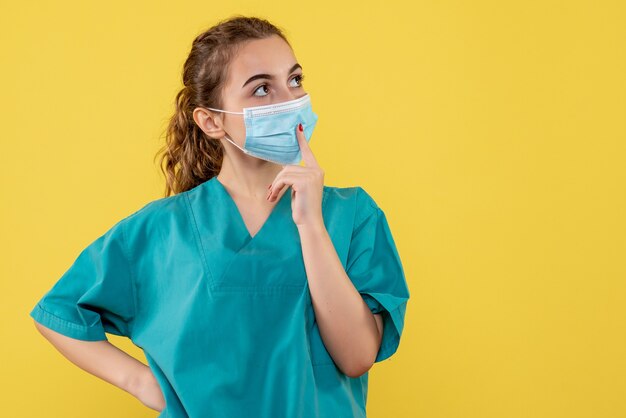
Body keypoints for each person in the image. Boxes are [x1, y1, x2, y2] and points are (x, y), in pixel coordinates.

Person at [29, 15, 411, 418]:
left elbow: (357, 357)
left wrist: (311, 225)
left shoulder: (352, 216)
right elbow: (59, 312)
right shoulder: (163, 230)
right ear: (211, 120)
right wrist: (143, 384)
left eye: (295, 80)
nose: (289, 101)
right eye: (262, 89)